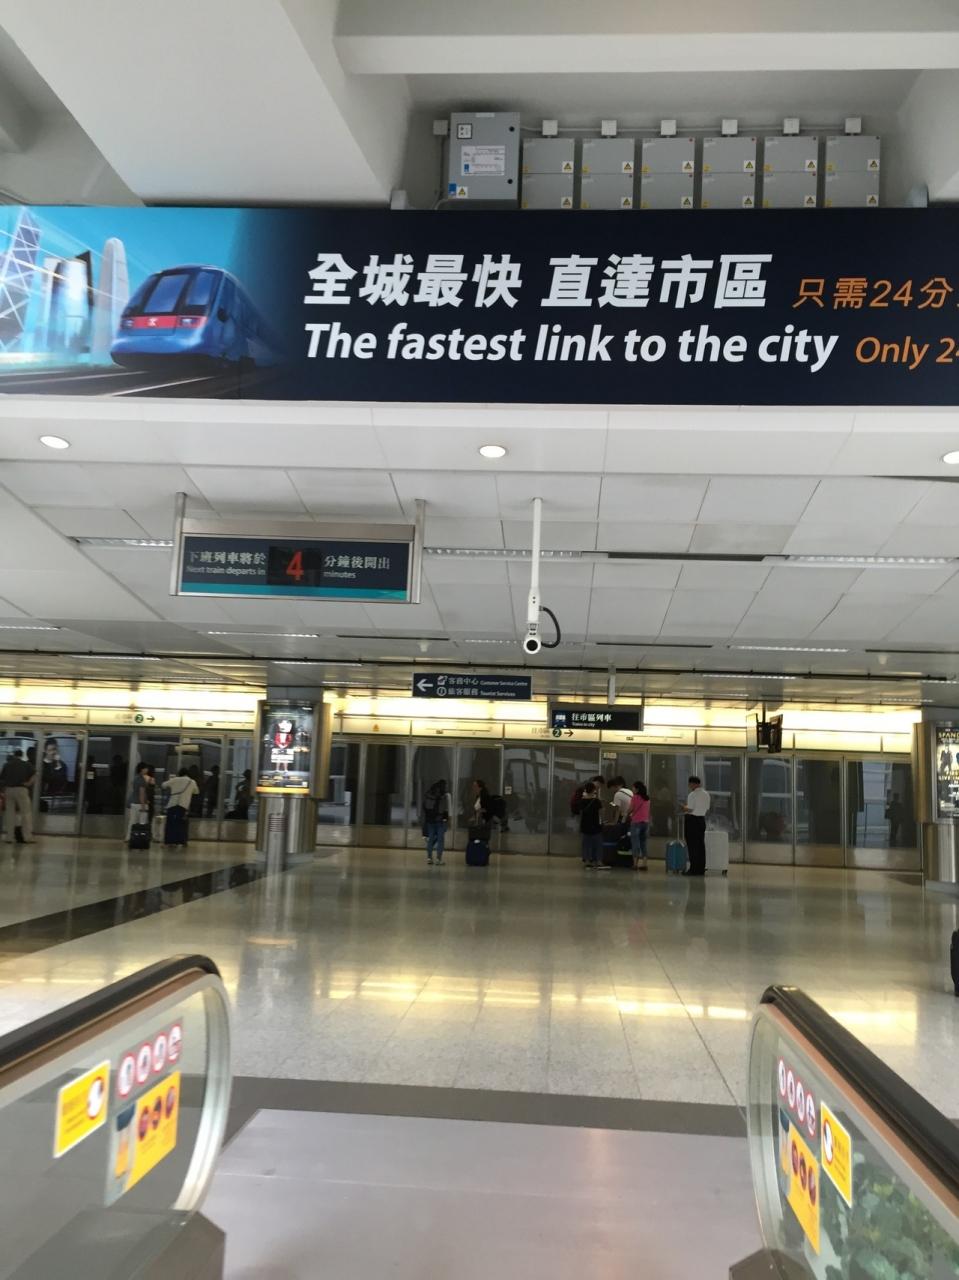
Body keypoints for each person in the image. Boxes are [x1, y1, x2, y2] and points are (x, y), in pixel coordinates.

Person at [0, 748, 35, 844]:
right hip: (21, 789)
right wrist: (29, 783)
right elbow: (34, 774)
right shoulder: (26, 764)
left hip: (9, 790)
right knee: (26, 813)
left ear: (14, 755)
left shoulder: (7, 765)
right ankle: (27, 837)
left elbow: (2, 779)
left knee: (9, 814)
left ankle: (9, 837)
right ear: (22, 755)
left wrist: (2, 790)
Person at [162, 768, 200, 848]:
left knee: (170, 823)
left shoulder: (175, 779)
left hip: (172, 804)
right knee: (181, 823)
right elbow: (196, 791)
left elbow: (163, 785)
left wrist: (172, 781)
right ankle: (182, 841)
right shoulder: (192, 781)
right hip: (183, 805)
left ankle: (169, 842)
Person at [683, 775, 711, 877]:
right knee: (700, 846)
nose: (689, 786)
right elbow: (707, 808)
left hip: (692, 821)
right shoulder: (706, 794)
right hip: (701, 821)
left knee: (692, 846)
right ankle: (700, 869)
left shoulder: (692, 795)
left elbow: (690, 809)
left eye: (689, 784)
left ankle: (693, 869)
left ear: (692, 784)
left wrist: (684, 807)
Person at [422, 778, 451, 866]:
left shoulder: (429, 794)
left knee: (431, 838)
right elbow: (447, 809)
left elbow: (424, 807)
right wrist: (447, 820)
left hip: (430, 820)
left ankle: (429, 858)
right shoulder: (445, 795)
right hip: (440, 820)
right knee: (440, 840)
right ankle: (438, 859)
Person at [579, 781, 603, 869]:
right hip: (595, 824)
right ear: (593, 790)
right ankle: (598, 861)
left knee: (586, 844)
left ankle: (587, 860)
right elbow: (601, 813)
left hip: (585, 824)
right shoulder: (597, 801)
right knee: (597, 843)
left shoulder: (582, 801)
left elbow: (581, 813)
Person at [126, 762, 151, 841]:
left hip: (133, 803)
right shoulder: (141, 780)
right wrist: (143, 806)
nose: (147, 770)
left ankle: (129, 837)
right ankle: (140, 838)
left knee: (132, 821)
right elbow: (141, 794)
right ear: (142, 769)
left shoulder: (135, 778)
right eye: (146, 768)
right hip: (140, 804)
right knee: (142, 822)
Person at [629, 780, 651, 871]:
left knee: (635, 843)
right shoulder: (647, 798)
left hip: (636, 823)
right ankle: (644, 864)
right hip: (645, 823)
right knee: (643, 843)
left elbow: (631, 809)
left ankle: (635, 864)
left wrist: (626, 813)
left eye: (633, 787)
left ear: (637, 789)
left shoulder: (635, 797)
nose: (632, 789)